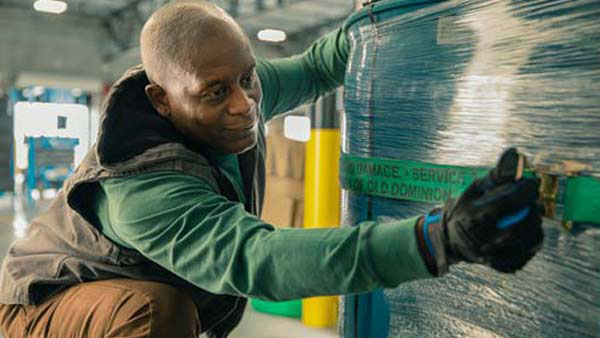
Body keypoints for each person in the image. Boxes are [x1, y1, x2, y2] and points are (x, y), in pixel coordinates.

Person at [0, 1, 543, 337]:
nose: (245, 104)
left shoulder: (235, 89)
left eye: (248, 79)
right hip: (37, 311)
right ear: (162, 101)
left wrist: (386, 20)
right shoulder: (140, 190)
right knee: (155, 314)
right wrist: (435, 239)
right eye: (217, 92)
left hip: (115, 296)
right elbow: (260, 259)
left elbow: (316, 65)